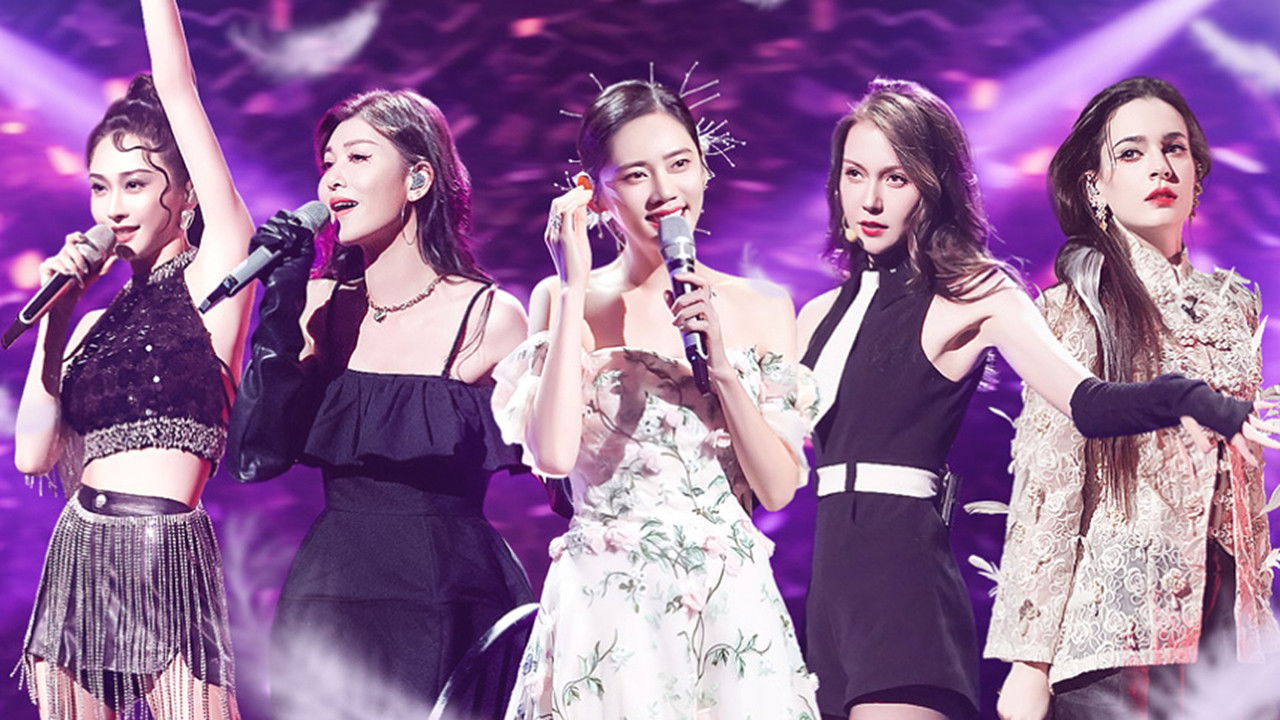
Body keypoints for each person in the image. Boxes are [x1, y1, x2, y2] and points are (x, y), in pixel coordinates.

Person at [797, 78, 1279, 720]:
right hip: (829, 593)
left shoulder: (980, 294)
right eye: (855, 174)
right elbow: (1048, 482)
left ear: (932, 186)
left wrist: (1183, 398)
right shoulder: (814, 316)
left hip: (910, 584)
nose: (871, 199)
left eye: (897, 177)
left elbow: (1087, 406)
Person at [493, 78, 820, 718]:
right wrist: (573, 286)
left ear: (704, 168)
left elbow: (778, 490)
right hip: (606, 606)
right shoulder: (562, 299)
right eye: (636, 175)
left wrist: (722, 367)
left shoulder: (762, 305)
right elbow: (553, 455)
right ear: (596, 194)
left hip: (726, 601)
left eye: (679, 164)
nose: (665, 191)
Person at [225, 88, 533, 718]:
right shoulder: (319, 308)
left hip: (452, 595)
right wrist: (283, 300)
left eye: (358, 158)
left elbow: (559, 473)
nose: (333, 178)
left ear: (418, 178)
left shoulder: (491, 317)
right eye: (328, 163)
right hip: (332, 596)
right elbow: (256, 457)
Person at [987, 76, 1280, 720]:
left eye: (1174, 149)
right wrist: (1029, 663)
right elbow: (1049, 484)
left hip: (1229, 623)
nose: (1159, 166)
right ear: (1095, 185)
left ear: (1197, 175)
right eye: (1131, 152)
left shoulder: (1235, 306)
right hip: (1119, 628)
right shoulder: (1074, 308)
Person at [13, 1, 255, 717]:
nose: (113, 207)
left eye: (136, 183)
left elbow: (177, 87)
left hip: (164, 551)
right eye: (100, 187)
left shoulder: (216, 275)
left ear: (185, 194)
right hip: (79, 552)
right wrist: (57, 319)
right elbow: (32, 454)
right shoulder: (88, 324)